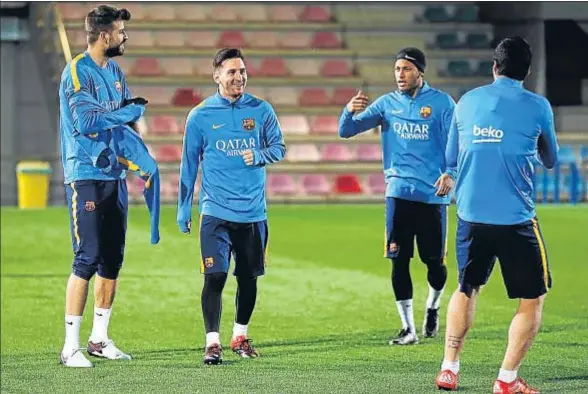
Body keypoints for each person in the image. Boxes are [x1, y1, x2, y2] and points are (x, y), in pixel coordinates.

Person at [435, 37, 558, 393]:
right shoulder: (538, 106)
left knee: (466, 287)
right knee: (532, 297)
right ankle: (506, 379)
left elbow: (451, 157)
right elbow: (550, 159)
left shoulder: (467, 101)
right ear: (528, 72)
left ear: (494, 66)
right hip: (515, 218)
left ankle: (449, 368)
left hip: (471, 216)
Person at [339, 47, 457, 345]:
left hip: (432, 197)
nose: (400, 75)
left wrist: (451, 172)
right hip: (398, 194)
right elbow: (346, 131)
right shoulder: (386, 104)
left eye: (406, 69)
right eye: (396, 69)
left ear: (420, 71)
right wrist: (348, 110)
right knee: (398, 260)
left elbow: (458, 142)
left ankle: (433, 305)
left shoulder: (442, 104)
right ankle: (408, 329)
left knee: (435, 265)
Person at [177, 48, 286, 365]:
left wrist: (261, 155)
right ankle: (212, 342)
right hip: (215, 212)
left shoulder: (262, 110)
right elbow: (189, 165)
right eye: (232, 72)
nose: (238, 77)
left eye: (242, 71)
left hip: (253, 214)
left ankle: (240, 335)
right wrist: (184, 207)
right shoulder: (200, 116)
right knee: (215, 276)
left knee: (248, 278)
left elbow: (279, 146)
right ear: (217, 77)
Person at [58, 4, 148, 367]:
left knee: (112, 259)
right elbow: (85, 122)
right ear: (105, 34)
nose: (125, 36)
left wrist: (143, 159)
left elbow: (127, 119)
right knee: (87, 257)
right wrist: (128, 112)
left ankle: (99, 339)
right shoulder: (78, 72)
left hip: (115, 176)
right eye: (121, 31)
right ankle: (70, 347)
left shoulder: (115, 72)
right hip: (86, 174)